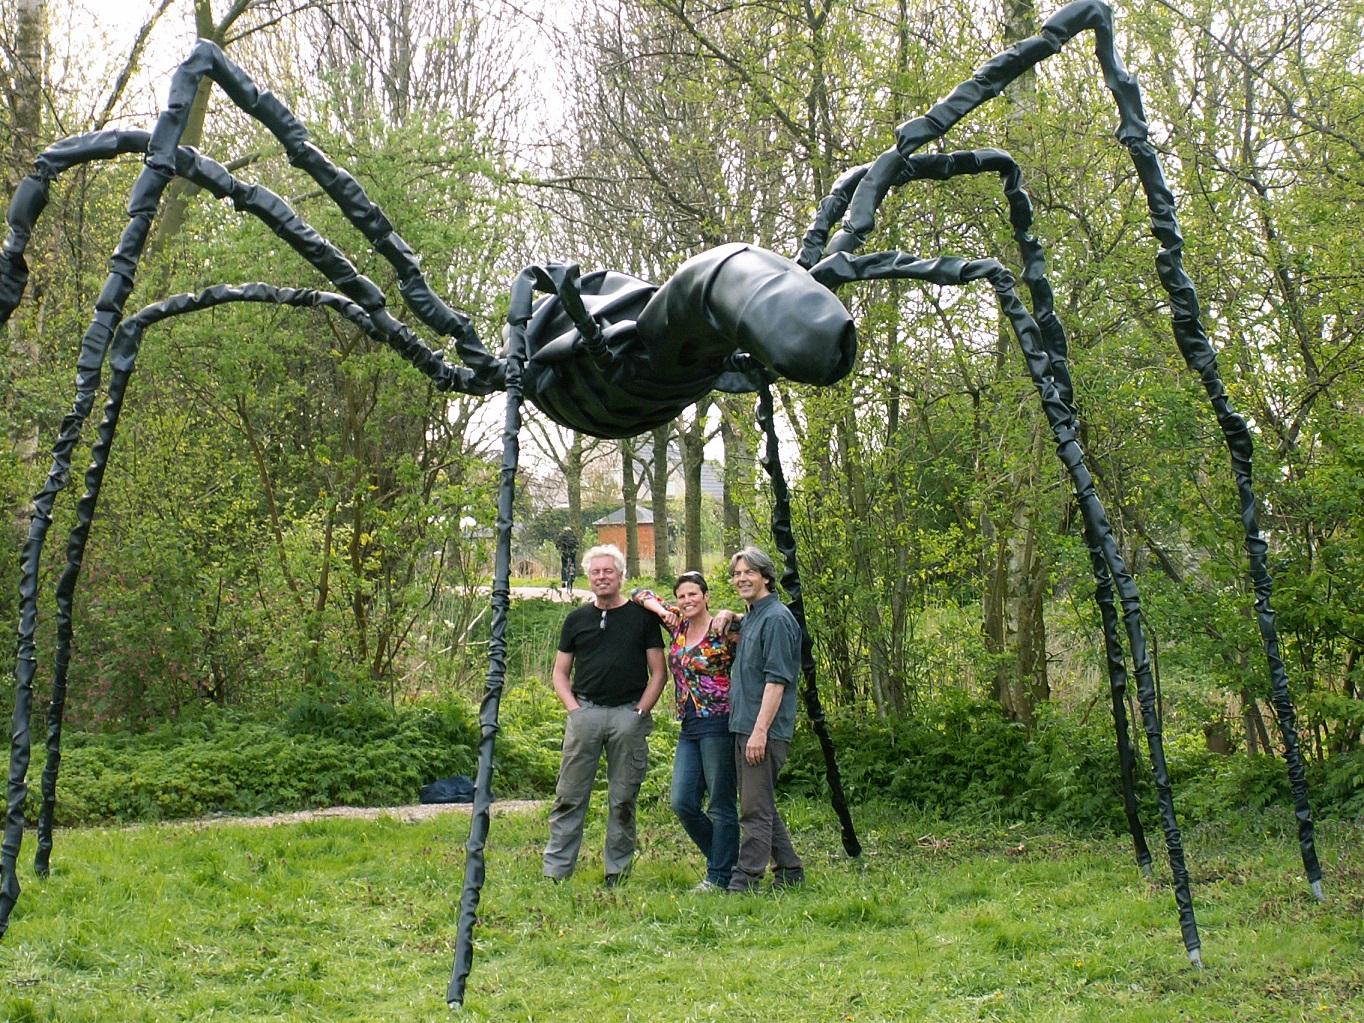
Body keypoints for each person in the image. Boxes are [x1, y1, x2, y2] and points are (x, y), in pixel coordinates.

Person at [543, 544, 665, 886]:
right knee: (569, 796)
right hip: (586, 715)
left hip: (627, 716)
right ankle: (557, 871)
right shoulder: (577, 619)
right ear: (588, 576)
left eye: (608, 571)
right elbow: (559, 673)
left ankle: (617, 871)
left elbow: (659, 673)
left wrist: (640, 712)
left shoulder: (642, 619)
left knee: (623, 798)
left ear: (621, 575)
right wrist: (575, 712)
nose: (601, 577)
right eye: (595, 572)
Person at [632, 572, 739, 892]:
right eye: (681, 596)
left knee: (720, 804)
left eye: (694, 594)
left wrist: (731, 613)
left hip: (719, 721)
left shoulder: (723, 629)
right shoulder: (677, 624)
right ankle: (730, 864)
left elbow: (759, 619)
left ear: (706, 597)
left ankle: (720, 876)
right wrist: (660, 609)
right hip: (689, 724)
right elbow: (639, 590)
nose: (687, 600)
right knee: (682, 801)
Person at [719, 545, 806, 892]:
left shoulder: (778, 619)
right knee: (761, 804)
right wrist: (732, 615)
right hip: (744, 726)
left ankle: (745, 880)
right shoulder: (755, 614)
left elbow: (777, 681)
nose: (742, 579)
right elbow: (747, 620)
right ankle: (790, 870)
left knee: (754, 811)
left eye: (749, 573)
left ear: (766, 576)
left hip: (764, 731)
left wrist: (760, 733)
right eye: (737, 574)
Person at [555, 527, 580, 593]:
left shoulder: (562, 535)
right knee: (573, 562)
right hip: (572, 552)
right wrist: (576, 550)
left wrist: (559, 549)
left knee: (564, 565)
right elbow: (577, 544)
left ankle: (564, 580)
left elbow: (557, 543)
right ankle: (573, 575)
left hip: (564, 552)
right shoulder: (573, 535)